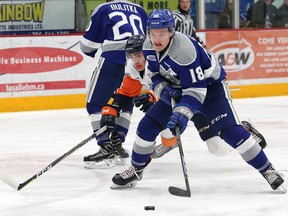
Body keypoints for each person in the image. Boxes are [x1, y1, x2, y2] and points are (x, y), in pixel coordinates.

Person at [110, 9, 286, 193]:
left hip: (210, 90)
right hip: (178, 89)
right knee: (147, 126)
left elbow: (196, 90)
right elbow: (153, 73)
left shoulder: (185, 51)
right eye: (153, 33)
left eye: (161, 33)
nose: (156, 38)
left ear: (171, 31)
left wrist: (182, 114)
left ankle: (268, 170)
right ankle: (136, 170)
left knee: (230, 134)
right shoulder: (148, 46)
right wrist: (162, 87)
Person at [79, 0, 148, 167]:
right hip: (139, 59)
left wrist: (87, 44)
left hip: (113, 60)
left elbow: (88, 46)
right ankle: (118, 145)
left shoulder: (103, 8)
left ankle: (105, 146)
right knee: (126, 101)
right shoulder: (140, 10)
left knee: (94, 104)